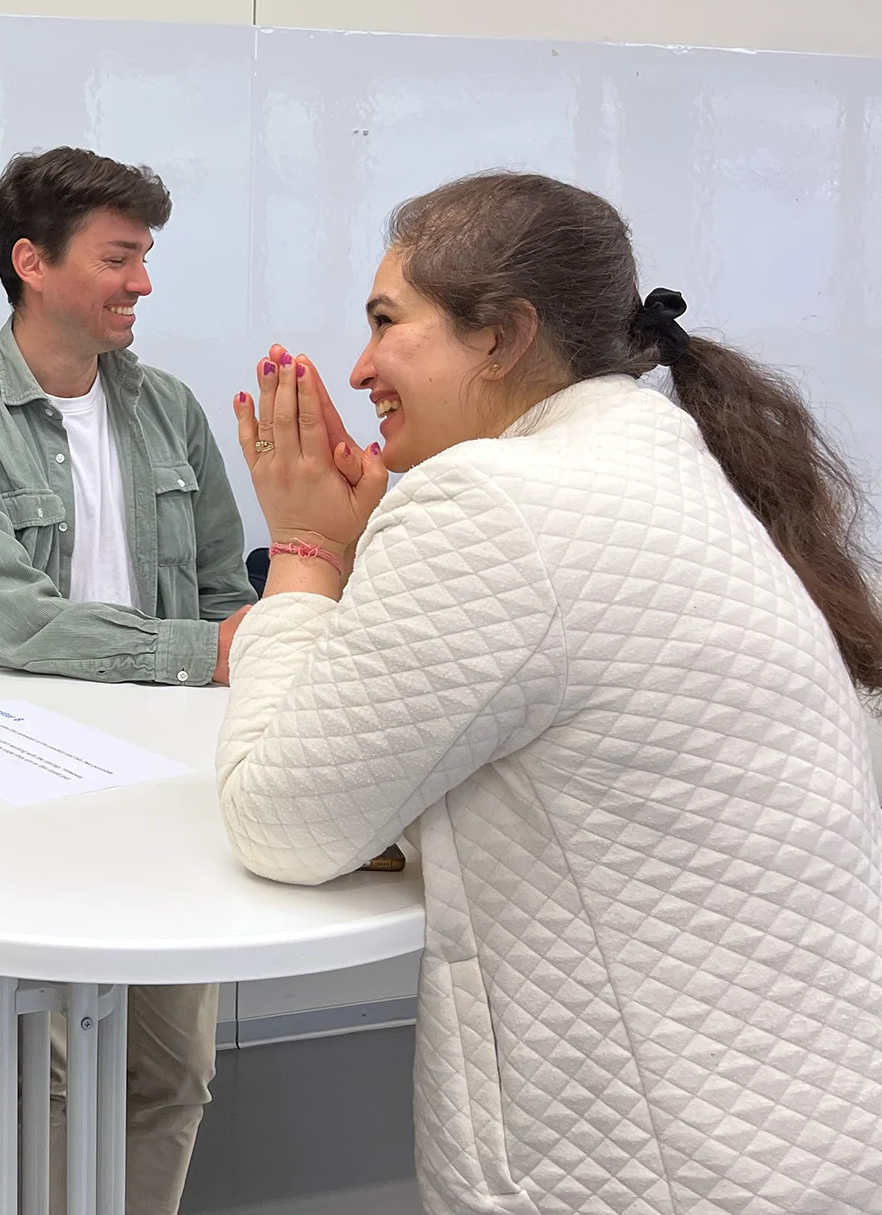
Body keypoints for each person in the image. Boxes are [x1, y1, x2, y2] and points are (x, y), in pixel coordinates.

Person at [219, 171, 882, 1214]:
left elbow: (279, 822)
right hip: (796, 1130)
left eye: (388, 323)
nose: (358, 366)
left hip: (667, 1167)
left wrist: (305, 555)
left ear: (501, 337)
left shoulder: (496, 506)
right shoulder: (662, 466)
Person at [0, 147, 254, 1215]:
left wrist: (224, 645)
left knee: (174, 1073)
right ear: (32, 263)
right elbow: (10, 625)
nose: (141, 281)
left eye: (144, 256)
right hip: (23, 802)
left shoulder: (172, 413)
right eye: (119, 257)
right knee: (46, 1078)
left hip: (174, 794)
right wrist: (203, 654)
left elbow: (218, 589)